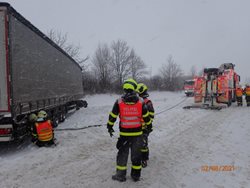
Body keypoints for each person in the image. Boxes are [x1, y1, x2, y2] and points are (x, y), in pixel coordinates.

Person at [107, 78, 152, 182]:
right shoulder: (141, 102)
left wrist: (109, 127)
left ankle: (120, 175)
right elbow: (146, 117)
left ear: (125, 88)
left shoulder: (119, 102)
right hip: (138, 134)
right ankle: (136, 176)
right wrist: (149, 127)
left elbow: (113, 115)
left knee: (122, 154)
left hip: (124, 135)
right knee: (136, 156)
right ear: (134, 88)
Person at [137, 83, 154, 168]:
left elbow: (151, 115)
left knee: (143, 144)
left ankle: (144, 159)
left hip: (145, 128)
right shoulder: (136, 101)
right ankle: (138, 157)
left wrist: (147, 125)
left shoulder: (148, 102)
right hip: (136, 127)